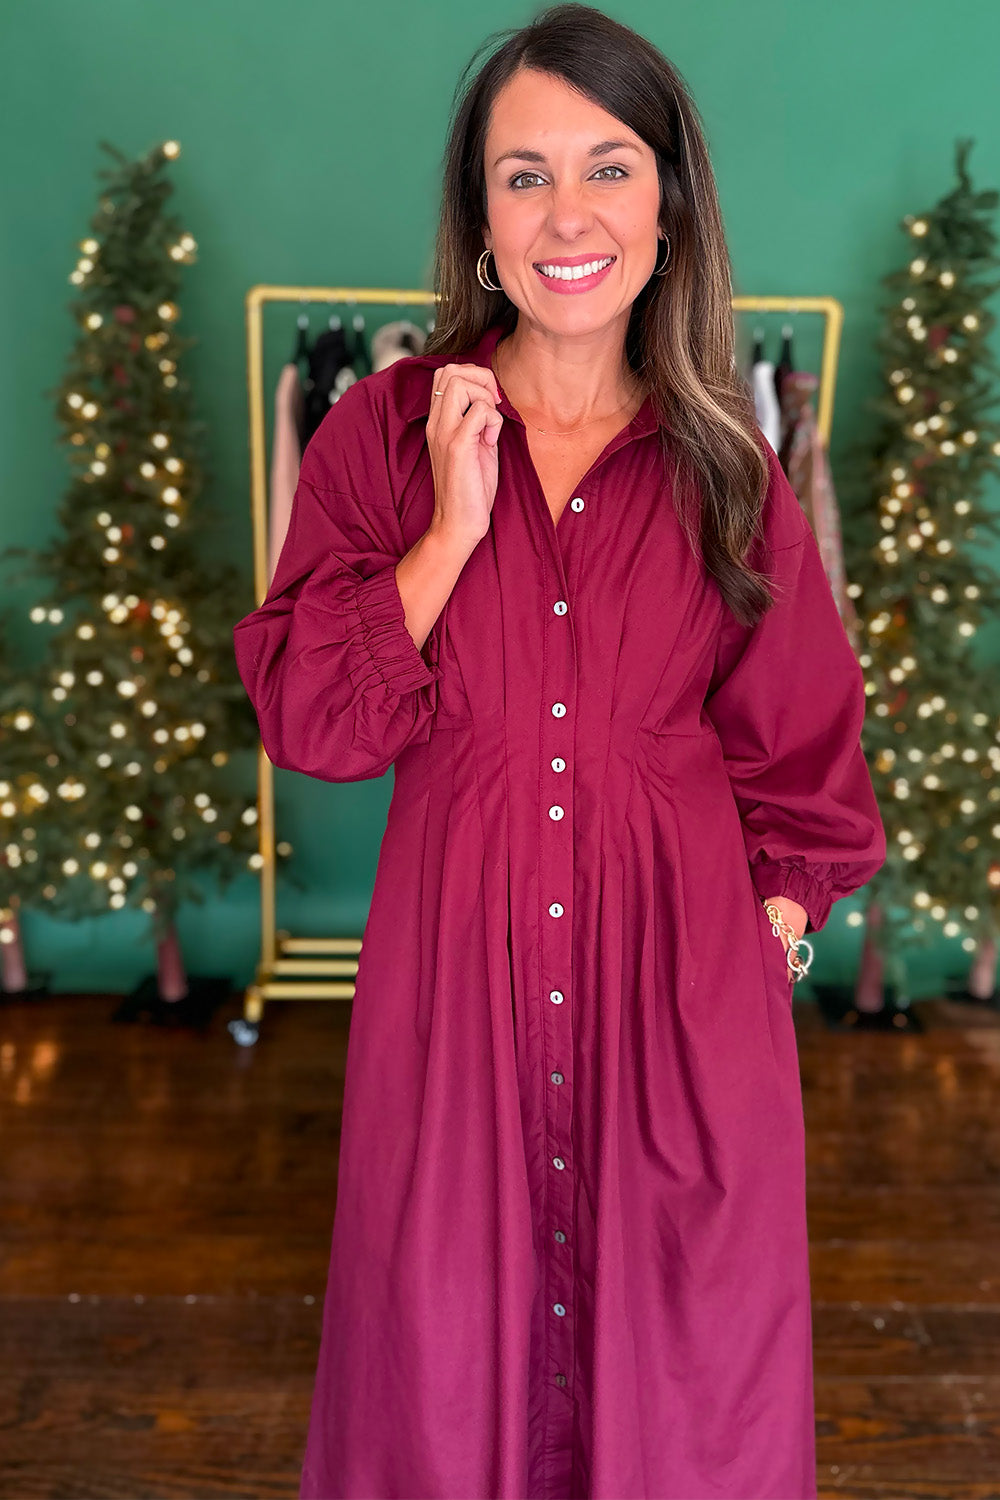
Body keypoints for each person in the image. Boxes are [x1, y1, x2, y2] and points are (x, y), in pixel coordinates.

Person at [232, 5, 886, 1497]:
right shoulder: (383, 437)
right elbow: (312, 721)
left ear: (669, 208)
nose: (567, 214)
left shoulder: (733, 471)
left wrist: (764, 944)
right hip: (449, 1019)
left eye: (608, 168)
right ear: (480, 220)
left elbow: (806, 765)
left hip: (683, 1026)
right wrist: (449, 537)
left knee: (692, 1404)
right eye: (523, 176)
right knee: (437, 1386)